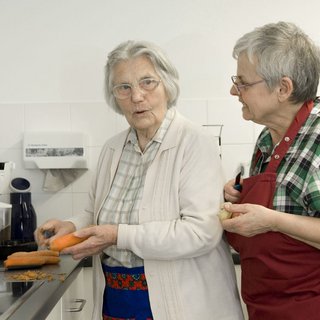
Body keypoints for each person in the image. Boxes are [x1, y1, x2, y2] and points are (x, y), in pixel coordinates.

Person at [35, 40, 244, 320]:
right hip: (117, 302)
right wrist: (70, 225)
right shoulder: (112, 148)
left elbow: (200, 233)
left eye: (147, 83)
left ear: (167, 86)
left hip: (183, 305)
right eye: (124, 88)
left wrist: (117, 235)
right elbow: (95, 214)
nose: (136, 96)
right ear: (114, 97)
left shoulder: (195, 144)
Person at [222, 21, 320, 320]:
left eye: (243, 82)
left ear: (283, 88)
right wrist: (239, 197)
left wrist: (272, 221)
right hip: (265, 307)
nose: (233, 90)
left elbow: (274, 220)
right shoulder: (267, 137)